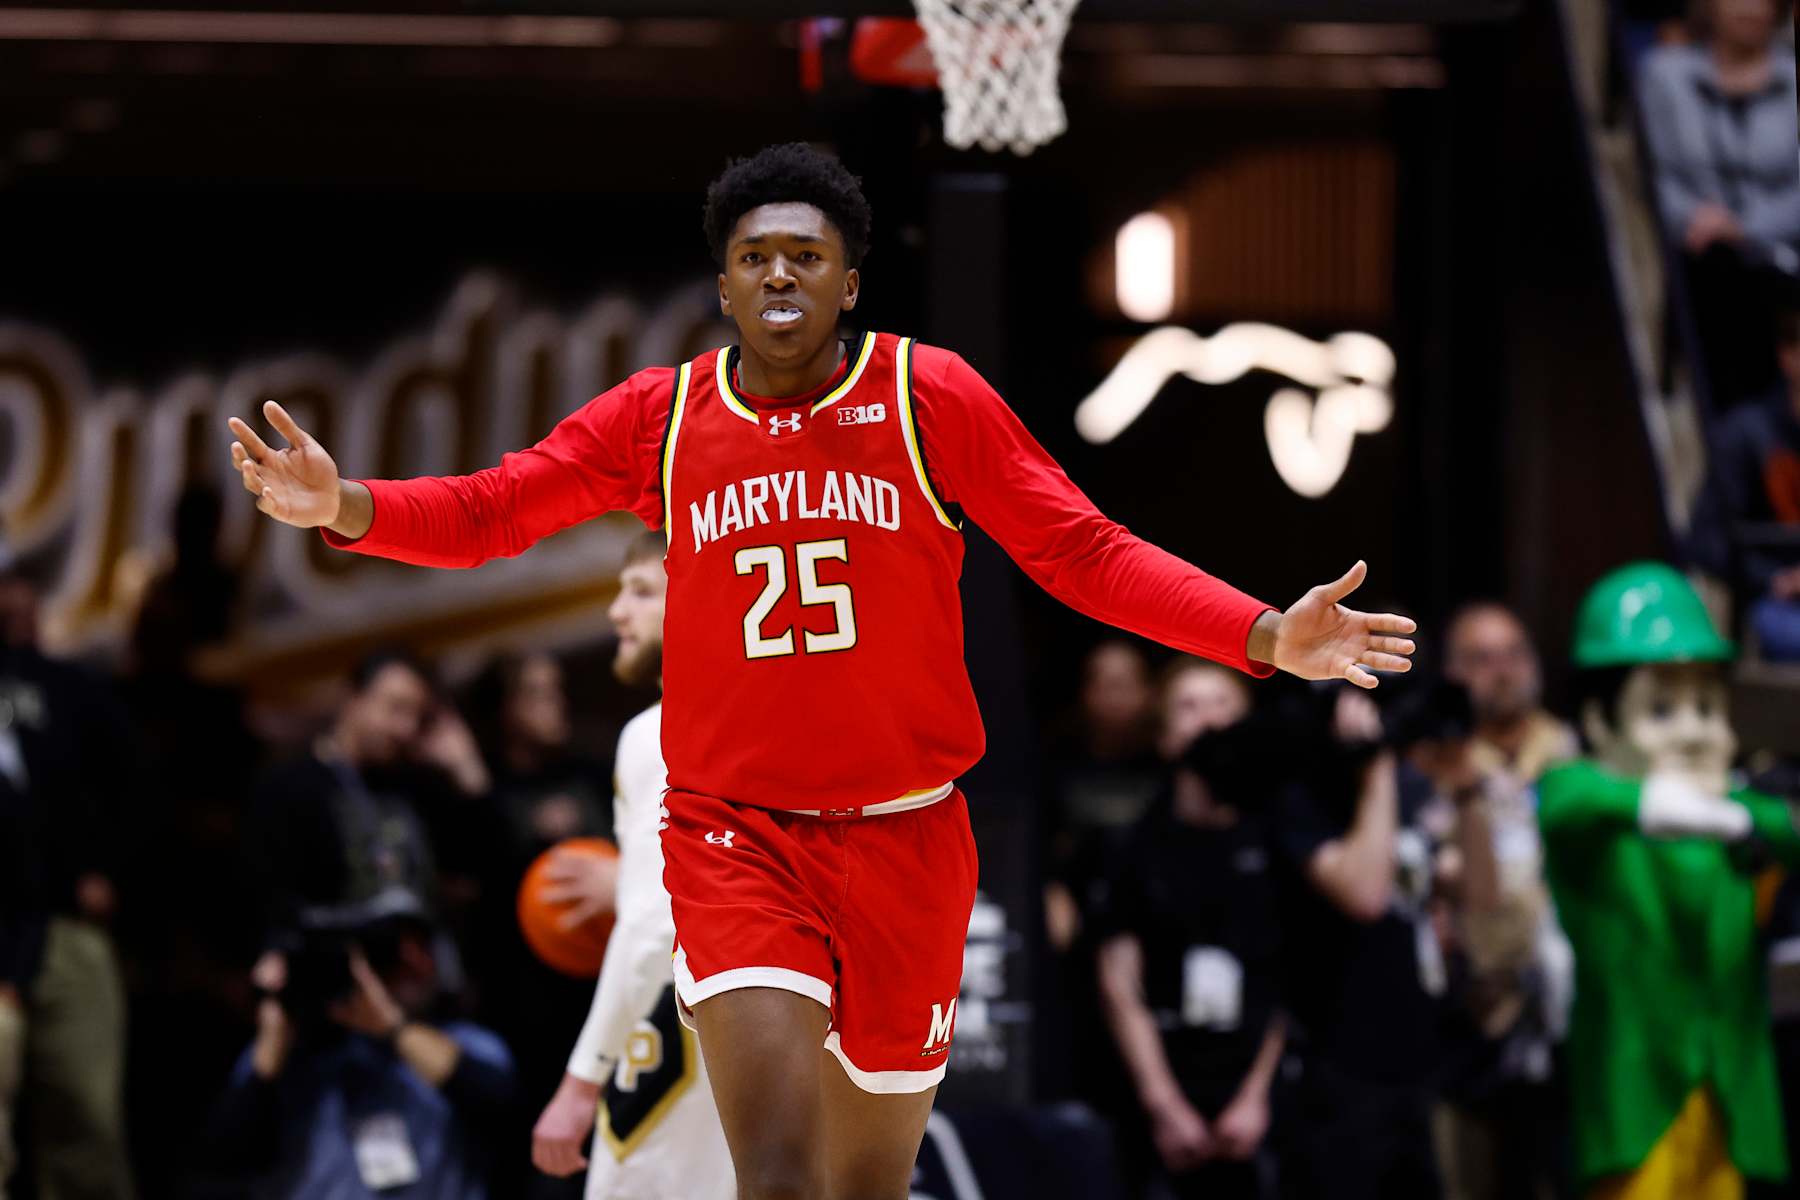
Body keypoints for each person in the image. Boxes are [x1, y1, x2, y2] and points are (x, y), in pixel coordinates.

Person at [226, 141, 1416, 1200]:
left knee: (863, 1187)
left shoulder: (926, 395)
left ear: (850, 283)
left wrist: (1263, 633)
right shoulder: (666, 418)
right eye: (756, 257)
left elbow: (1081, 552)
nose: (781, 275)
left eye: (807, 255)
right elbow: (497, 509)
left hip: (908, 838)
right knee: (780, 1178)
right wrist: (347, 505)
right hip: (735, 833)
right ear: (725, 284)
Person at [1540, 562, 1800, 1200]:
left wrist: (1733, 818)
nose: (1693, 730)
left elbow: (1782, 827)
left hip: (1732, 1110)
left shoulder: (1747, 821)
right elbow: (1567, 796)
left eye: (1707, 705)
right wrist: (1688, 810)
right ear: (1600, 721)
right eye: (1661, 708)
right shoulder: (1596, 817)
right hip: (1635, 1107)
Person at [532, 530, 736, 1199]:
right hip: (789, 1037)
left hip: (683, 1033)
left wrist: (581, 1080)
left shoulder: (661, 729)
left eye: (642, 592)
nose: (618, 612)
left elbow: (654, 922)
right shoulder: (773, 716)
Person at [1097, 662, 1283, 1200]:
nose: (1207, 720)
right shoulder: (1133, 845)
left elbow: (1293, 979)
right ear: (1164, 735)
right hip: (1161, 1092)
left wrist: (1256, 1098)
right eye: (1189, 706)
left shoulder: (1277, 840)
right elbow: (1118, 985)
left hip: (1259, 1099)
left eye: (1222, 704)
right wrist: (1163, 1104)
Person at [1270, 685, 1454, 1200]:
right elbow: (1367, 895)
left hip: (1420, 1057)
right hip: (1341, 1065)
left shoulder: (1410, 784)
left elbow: (1467, 889)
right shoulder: (1301, 796)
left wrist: (1466, 792)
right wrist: (1374, 769)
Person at [209, 896, 517, 1200]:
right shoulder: (285, 1056)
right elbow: (225, 1158)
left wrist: (392, 1027)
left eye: (419, 946)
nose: (416, 962)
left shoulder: (465, 1042)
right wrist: (278, 1010)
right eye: (400, 952)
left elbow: (505, 1113)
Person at [0, 557, 136, 1200]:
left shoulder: (69, 687)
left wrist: (106, 868)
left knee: (85, 1130)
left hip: (61, 925)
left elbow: (134, 787)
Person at [1637, 0, 1799, 401]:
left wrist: (1745, 226)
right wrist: (1693, 219)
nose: (1751, 8)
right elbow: (1654, 173)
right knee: (1716, 275)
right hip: (1700, 253)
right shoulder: (1664, 74)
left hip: (1782, 251)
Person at [1686, 304, 1800, 660]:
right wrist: (1777, 579)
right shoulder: (1747, 433)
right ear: (1789, 356)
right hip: (1779, 603)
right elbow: (1707, 542)